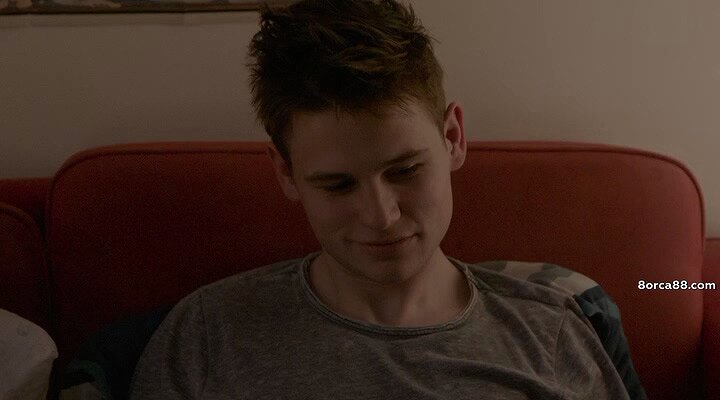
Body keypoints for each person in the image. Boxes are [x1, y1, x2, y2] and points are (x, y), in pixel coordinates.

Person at [129, 1, 637, 398]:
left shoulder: (550, 332)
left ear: (453, 138)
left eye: (405, 171)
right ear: (286, 173)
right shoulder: (206, 336)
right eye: (337, 185)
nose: (381, 216)